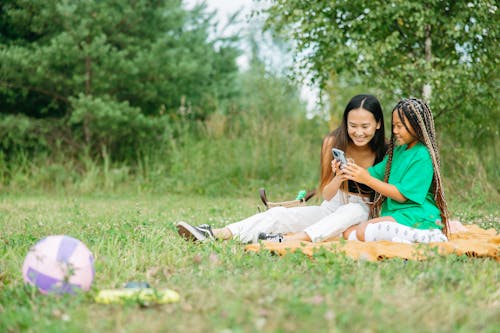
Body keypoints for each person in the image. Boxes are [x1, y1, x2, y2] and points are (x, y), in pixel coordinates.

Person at [176, 94, 387, 243]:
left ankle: (291, 240)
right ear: (345, 122)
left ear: (378, 124)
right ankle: (216, 233)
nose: (358, 132)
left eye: (365, 126)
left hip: (362, 211)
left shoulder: (387, 151)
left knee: (354, 210)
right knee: (280, 215)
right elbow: (327, 194)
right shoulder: (333, 141)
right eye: (353, 126)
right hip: (331, 206)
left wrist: (363, 177)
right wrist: (339, 177)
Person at [338, 97, 449, 243]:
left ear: (416, 125)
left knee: (362, 231)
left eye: (400, 126)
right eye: (393, 126)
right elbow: (371, 174)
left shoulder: (423, 155)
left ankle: (430, 236)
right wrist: (349, 169)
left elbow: (401, 195)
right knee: (348, 232)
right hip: (396, 214)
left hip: (417, 215)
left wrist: (367, 179)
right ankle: (404, 240)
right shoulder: (398, 152)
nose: (395, 131)